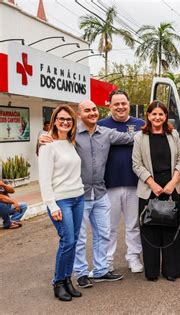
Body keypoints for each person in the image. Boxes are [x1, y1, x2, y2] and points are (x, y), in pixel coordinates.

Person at [39, 100, 134, 289]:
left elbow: (131, 137)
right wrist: (41, 136)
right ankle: (81, 273)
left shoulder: (106, 133)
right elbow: (53, 143)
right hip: (79, 195)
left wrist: (158, 127)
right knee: (78, 238)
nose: (92, 113)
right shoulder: (72, 136)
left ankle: (100, 270)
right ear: (79, 115)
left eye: (94, 110)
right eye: (87, 110)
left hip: (100, 192)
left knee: (104, 233)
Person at [132, 101, 180, 282]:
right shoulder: (140, 137)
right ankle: (152, 272)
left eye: (161, 114)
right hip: (149, 189)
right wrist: (152, 184)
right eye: (153, 114)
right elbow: (136, 164)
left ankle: (172, 270)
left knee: (171, 228)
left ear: (165, 116)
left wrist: (174, 181)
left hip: (170, 187)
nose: (157, 117)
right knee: (150, 230)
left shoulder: (173, 134)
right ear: (147, 115)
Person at [38, 105, 84, 301]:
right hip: (61, 201)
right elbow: (44, 179)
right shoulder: (47, 145)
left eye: (69, 119)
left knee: (73, 241)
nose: (65, 122)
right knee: (67, 241)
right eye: (61, 119)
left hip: (78, 198)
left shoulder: (71, 142)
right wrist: (52, 205)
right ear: (54, 120)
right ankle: (58, 282)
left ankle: (67, 280)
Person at [99, 90, 145, 274]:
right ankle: (107, 261)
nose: (120, 107)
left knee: (133, 225)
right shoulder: (101, 125)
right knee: (108, 227)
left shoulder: (140, 124)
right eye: (116, 104)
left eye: (123, 103)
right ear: (109, 106)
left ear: (129, 104)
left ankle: (133, 257)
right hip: (109, 185)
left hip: (135, 183)